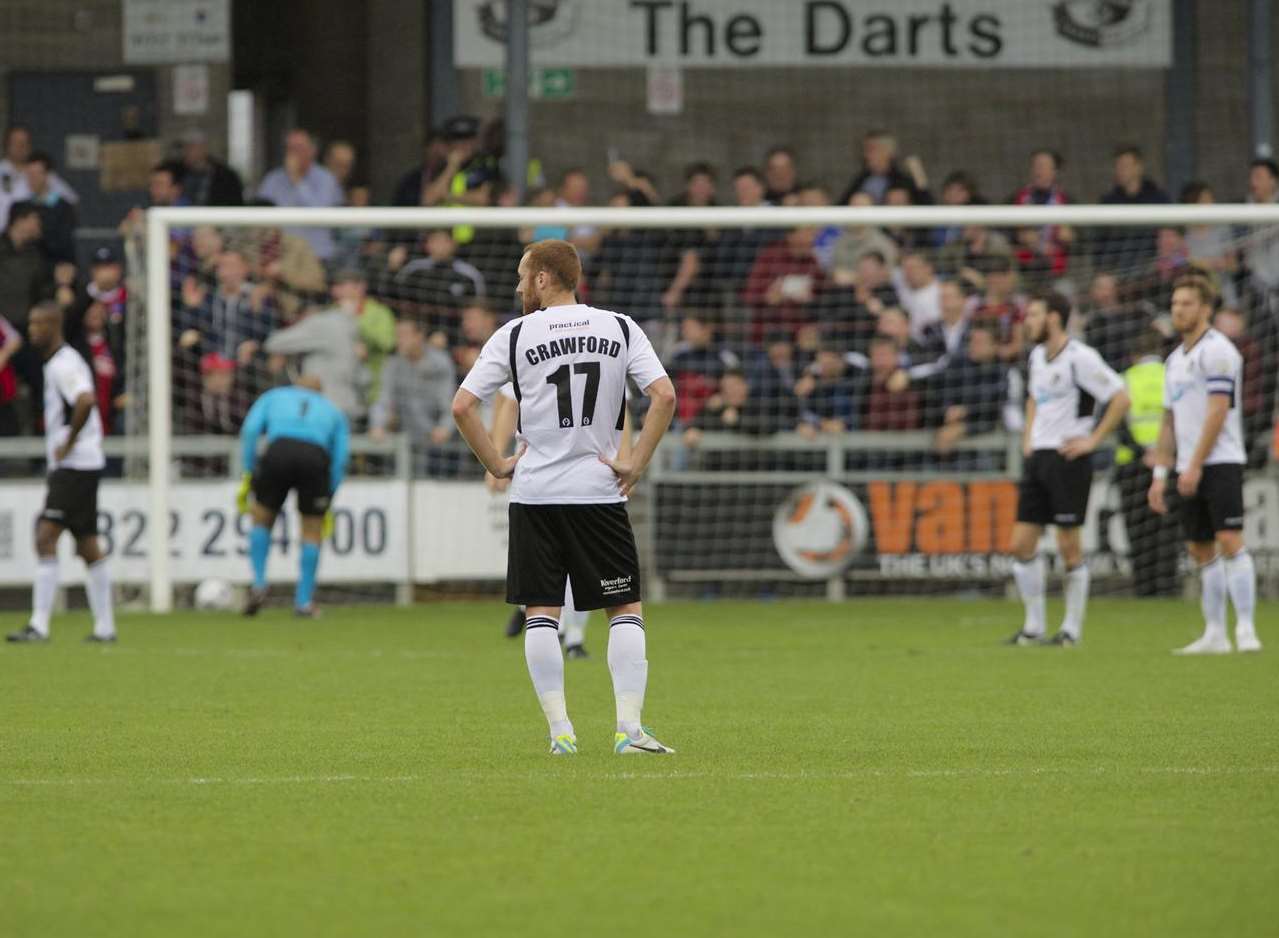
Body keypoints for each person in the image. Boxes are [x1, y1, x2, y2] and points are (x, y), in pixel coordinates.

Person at [452, 239, 678, 756]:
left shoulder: (513, 336)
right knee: (624, 609)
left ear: (543, 279)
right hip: (598, 492)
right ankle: (630, 731)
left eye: (521, 276)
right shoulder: (620, 328)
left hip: (534, 494)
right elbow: (664, 395)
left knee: (541, 613)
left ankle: (560, 734)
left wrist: (497, 463)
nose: (517, 285)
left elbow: (463, 406)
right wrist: (637, 460)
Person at [1006, 292, 1130, 648]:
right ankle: (1033, 627)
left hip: (1069, 458)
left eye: (1033, 314)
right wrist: (1028, 439)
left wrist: (1092, 441)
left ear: (1054, 318)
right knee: (1020, 544)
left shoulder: (1080, 358)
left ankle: (1071, 631)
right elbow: (1032, 398)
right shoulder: (1036, 356)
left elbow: (1121, 396)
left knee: (1068, 546)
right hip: (1039, 458)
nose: (1027, 321)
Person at [1148, 277, 1260, 654]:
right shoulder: (1174, 360)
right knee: (1199, 548)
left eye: (1186, 303)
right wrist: (1160, 474)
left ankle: (1245, 628)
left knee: (1229, 539)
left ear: (1205, 308)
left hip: (1220, 460)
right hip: (1186, 464)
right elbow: (1169, 422)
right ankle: (1215, 633)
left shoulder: (1219, 352)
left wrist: (1194, 464)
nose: (1177, 309)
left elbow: (1217, 412)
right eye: (1175, 302)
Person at [7, 303, 115, 643]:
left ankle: (39, 625)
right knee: (86, 545)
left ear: (55, 326)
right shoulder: (60, 362)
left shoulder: (63, 364)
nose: (32, 330)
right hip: (81, 464)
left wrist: (68, 442)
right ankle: (105, 627)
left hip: (74, 465)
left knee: (46, 535)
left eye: (39, 324)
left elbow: (85, 401)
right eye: (31, 323)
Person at [237, 374, 350, 618]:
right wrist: (329, 490)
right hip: (314, 457)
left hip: (278, 452)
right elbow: (341, 458)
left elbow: (250, 430)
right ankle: (303, 602)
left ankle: (258, 583)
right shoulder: (332, 410)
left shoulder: (274, 396)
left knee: (262, 518)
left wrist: (249, 471)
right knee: (311, 530)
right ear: (320, 391)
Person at [1114, 328, 1178, 597]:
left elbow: (1116, 422)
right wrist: (1161, 452)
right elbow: (1179, 418)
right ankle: (1167, 586)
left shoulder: (1124, 380)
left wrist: (1142, 451)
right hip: (1169, 460)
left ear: (1133, 355)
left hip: (1133, 464)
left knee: (1138, 530)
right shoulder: (1171, 376)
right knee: (1168, 527)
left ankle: (1143, 585)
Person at [368, 318, 458, 477]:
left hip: (437, 444)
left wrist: (444, 428)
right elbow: (383, 400)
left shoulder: (440, 362)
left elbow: (449, 402)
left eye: (404, 335)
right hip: (405, 439)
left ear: (419, 336)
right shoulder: (393, 364)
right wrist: (378, 425)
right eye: (397, 336)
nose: (399, 340)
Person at [255, 130, 344, 261]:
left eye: (298, 148)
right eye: (290, 148)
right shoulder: (272, 179)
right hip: (281, 257)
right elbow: (260, 214)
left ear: (312, 150)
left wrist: (296, 180)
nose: (293, 153)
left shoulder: (326, 179)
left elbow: (319, 214)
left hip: (317, 256)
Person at [179, 128, 244, 206]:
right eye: (186, 148)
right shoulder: (178, 172)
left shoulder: (225, 176)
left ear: (203, 148)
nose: (188, 152)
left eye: (192, 147)